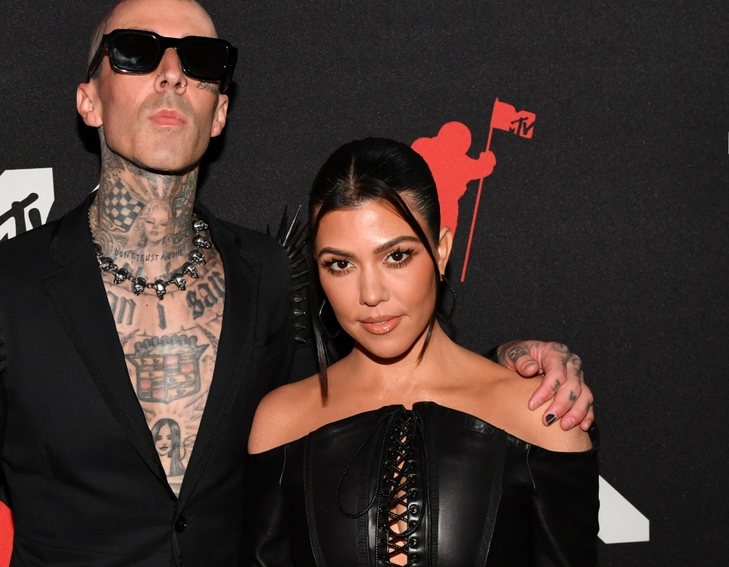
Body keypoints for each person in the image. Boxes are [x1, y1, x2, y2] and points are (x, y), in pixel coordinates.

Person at [0, 0, 593, 566]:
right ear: (89, 100)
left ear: (220, 111)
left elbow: (360, 395)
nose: (172, 75)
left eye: (201, 61)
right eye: (136, 52)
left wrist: (515, 365)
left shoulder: (270, 273)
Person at [242, 137, 598, 566]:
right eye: (341, 264)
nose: (370, 294)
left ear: (441, 252)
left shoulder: (541, 415)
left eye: (396, 256)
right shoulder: (282, 423)